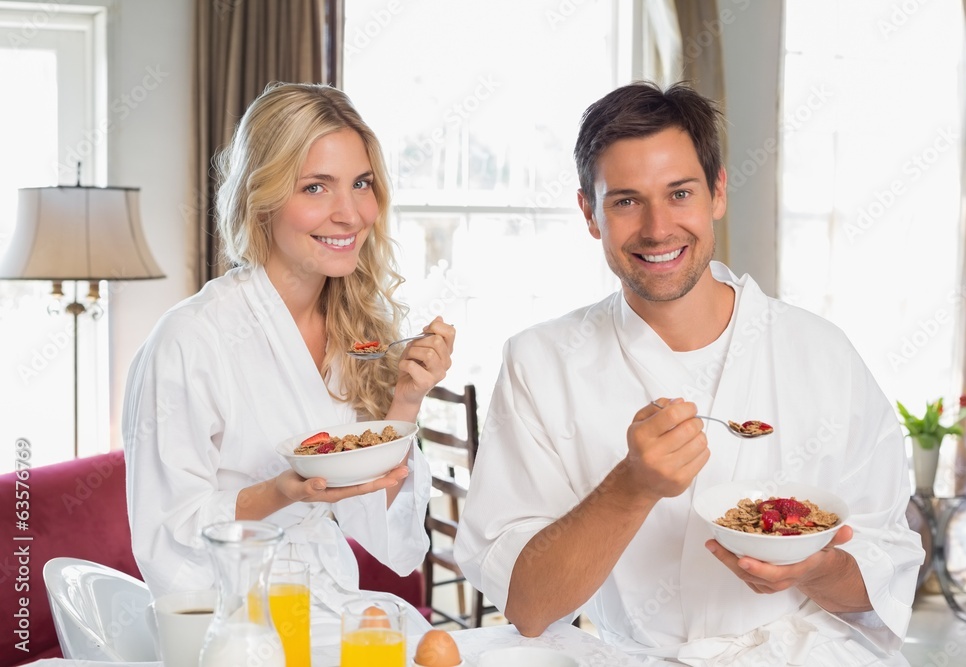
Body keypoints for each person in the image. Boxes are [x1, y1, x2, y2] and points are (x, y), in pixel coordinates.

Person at [454, 82, 923, 665]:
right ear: (589, 214)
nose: (657, 228)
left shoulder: (821, 353)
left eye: (679, 193)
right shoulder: (541, 361)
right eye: (626, 200)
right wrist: (630, 487)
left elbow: (888, 571)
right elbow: (527, 605)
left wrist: (819, 569)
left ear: (718, 191)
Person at [124, 82, 455, 640]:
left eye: (362, 184)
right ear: (264, 197)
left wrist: (405, 400)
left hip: (329, 607)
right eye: (316, 187)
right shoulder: (191, 339)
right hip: (230, 626)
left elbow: (380, 530)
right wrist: (282, 491)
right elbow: (164, 535)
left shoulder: (358, 331)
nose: (349, 214)